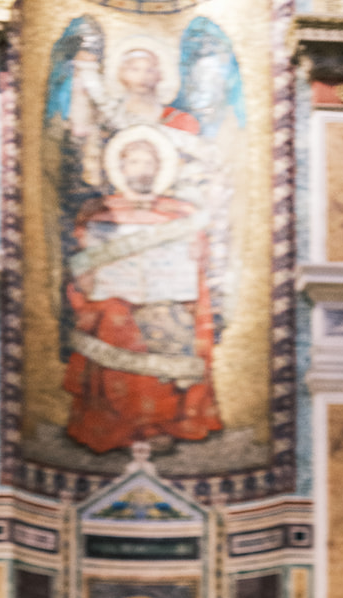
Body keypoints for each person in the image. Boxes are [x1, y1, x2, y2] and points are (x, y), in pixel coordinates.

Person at [62, 125, 221, 455]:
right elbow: (83, 265)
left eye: (148, 163)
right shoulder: (99, 213)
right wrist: (92, 277)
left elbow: (198, 258)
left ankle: (161, 423)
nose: (142, 169)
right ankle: (118, 424)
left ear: (161, 168)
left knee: (168, 319)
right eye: (134, 162)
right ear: (120, 168)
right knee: (115, 319)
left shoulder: (180, 213)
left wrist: (194, 255)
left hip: (169, 295)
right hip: (112, 299)